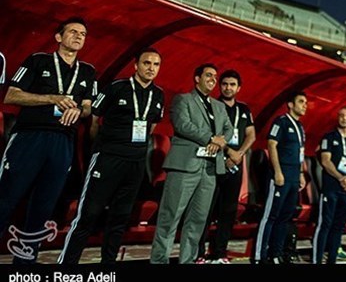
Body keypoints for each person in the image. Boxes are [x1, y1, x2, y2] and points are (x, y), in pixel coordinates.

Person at [0, 17, 97, 264]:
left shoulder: (87, 71)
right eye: (73, 32)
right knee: (7, 198)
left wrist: (79, 110)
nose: (78, 36)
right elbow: (11, 96)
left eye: (83, 34)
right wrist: (51, 98)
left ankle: (24, 264)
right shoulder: (37, 60)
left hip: (63, 142)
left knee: (43, 207)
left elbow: (88, 107)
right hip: (30, 137)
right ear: (58, 37)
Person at [58, 48, 165, 264]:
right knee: (88, 214)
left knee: (120, 217)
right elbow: (94, 120)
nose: (151, 68)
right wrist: (104, 147)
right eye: (146, 63)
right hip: (109, 158)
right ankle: (67, 264)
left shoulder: (159, 94)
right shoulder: (117, 87)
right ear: (136, 65)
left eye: (155, 64)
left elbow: (151, 126)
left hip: (135, 162)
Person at [150, 63, 233, 264]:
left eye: (215, 76)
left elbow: (229, 129)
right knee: (170, 217)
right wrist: (210, 138)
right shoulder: (183, 99)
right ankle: (159, 260)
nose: (213, 79)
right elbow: (183, 125)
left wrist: (220, 141)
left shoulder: (220, 106)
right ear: (197, 78)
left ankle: (187, 260)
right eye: (208, 75)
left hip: (210, 169)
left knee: (198, 219)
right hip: (185, 166)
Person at [198, 69, 256, 264]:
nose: (228, 88)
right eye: (224, 84)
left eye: (232, 84)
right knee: (206, 210)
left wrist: (239, 154)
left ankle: (219, 253)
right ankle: (199, 253)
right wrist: (228, 154)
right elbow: (208, 134)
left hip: (235, 165)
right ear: (219, 86)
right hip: (215, 162)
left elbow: (251, 135)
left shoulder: (244, 109)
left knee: (229, 211)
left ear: (238, 88)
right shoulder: (211, 105)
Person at [252, 92, 307, 265]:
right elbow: (271, 145)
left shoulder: (300, 126)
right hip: (281, 174)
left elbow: (300, 152)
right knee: (270, 216)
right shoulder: (281, 122)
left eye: (305, 102)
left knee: (285, 217)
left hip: (293, 177)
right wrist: (277, 171)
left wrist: (301, 173)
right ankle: (259, 256)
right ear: (290, 104)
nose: (305, 105)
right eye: (301, 101)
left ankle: (275, 254)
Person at [312, 106, 346, 264]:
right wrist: (341, 178)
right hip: (331, 187)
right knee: (325, 224)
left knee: (339, 226)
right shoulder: (329, 137)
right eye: (341, 115)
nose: (344, 118)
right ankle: (317, 260)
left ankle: (332, 260)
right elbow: (325, 161)